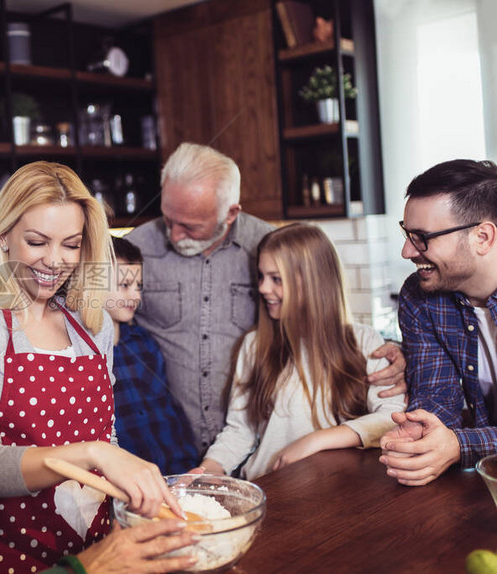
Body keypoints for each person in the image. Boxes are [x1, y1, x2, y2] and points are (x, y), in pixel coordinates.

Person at [0, 161, 197, 574]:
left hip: (105, 554)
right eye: (38, 241)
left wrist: (138, 489)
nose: (55, 261)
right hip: (12, 560)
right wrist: (97, 452)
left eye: (71, 245)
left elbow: (105, 435)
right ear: (4, 236)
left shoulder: (92, 323)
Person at [126, 142, 408, 455]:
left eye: (190, 226)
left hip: (247, 449)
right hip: (170, 442)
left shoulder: (269, 245)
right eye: (168, 219)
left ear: (231, 212)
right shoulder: (130, 252)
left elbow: (327, 323)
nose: (174, 235)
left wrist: (397, 352)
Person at [200, 223, 406, 479]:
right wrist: (206, 470)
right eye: (261, 277)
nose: (263, 288)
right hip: (266, 487)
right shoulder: (254, 345)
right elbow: (239, 431)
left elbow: (392, 417)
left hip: (338, 491)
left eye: (276, 279)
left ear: (313, 282)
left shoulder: (364, 342)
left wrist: (315, 441)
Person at [380, 159, 497, 486]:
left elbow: (458, 444)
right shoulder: (420, 297)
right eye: (407, 233)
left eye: (422, 237)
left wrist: (460, 445)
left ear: (483, 237)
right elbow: (436, 396)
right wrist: (421, 431)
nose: (406, 251)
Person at [104, 236, 199, 474]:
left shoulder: (144, 342)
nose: (135, 296)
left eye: (138, 287)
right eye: (124, 285)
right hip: (127, 486)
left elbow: (168, 408)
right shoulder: (83, 354)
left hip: (177, 470)